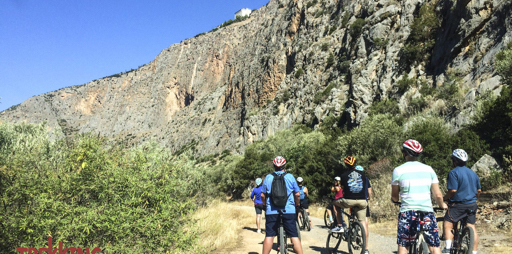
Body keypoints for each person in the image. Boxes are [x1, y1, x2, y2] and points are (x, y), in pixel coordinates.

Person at [391, 139, 447, 254]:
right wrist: (442, 205)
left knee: (404, 245)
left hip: (408, 212)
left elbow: (395, 196)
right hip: (427, 211)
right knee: (434, 245)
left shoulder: (398, 170)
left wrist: (394, 200)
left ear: (404, 153)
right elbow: (437, 194)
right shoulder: (429, 169)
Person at [261, 156, 303, 254]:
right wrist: (296, 204)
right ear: (284, 165)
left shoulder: (268, 177)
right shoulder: (290, 177)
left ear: (273, 166)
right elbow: (297, 194)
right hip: (288, 210)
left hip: (271, 211)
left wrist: (265, 205)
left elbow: (263, 195)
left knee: (269, 235)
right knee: (294, 235)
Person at [442, 149, 481, 254]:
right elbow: (479, 191)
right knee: (471, 226)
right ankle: (474, 252)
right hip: (472, 204)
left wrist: (444, 198)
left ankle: (448, 249)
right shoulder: (473, 173)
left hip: (458, 205)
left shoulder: (453, 173)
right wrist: (474, 198)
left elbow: (453, 190)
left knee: (448, 223)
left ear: (454, 161)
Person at [332, 156, 370, 254]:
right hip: (362, 201)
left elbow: (343, 188)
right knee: (363, 223)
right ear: (355, 163)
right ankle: (365, 250)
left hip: (349, 200)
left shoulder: (344, 175)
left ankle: (340, 225)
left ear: (346, 164)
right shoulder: (362, 174)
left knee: (335, 203)